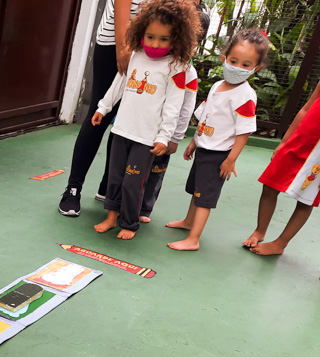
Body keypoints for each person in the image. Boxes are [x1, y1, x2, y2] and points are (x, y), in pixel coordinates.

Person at [91, 0, 200, 240]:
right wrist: (103, 107)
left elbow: (173, 107)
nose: (155, 43)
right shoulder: (135, 55)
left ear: (177, 39)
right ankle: (111, 217)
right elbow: (119, 84)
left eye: (163, 39)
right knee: (114, 178)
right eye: (150, 37)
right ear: (141, 32)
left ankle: (129, 224)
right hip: (121, 130)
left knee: (133, 182)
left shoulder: (177, 67)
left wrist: (165, 137)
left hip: (146, 139)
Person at [167, 29, 268, 250]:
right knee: (197, 190)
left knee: (204, 197)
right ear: (224, 58)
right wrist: (194, 142)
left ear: (256, 68)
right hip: (204, 148)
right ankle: (188, 222)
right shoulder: (216, 86)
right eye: (233, 61)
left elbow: (244, 132)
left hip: (218, 155)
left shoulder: (245, 95)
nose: (237, 67)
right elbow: (206, 117)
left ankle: (194, 239)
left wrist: (231, 159)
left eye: (246, 64)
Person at [59, 0, 148, 217]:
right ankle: (73, 189)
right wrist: (123, 49)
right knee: (99, 114)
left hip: (151, 46)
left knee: (126, 119)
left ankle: (108, 187)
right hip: (115, 44)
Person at [242, 79, 320, 255]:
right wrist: (285, 141)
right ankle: (260, 231)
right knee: (270, 184)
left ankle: (280, 243)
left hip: (318, 158)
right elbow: (306, 109)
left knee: (306, 199)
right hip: (299, 142)